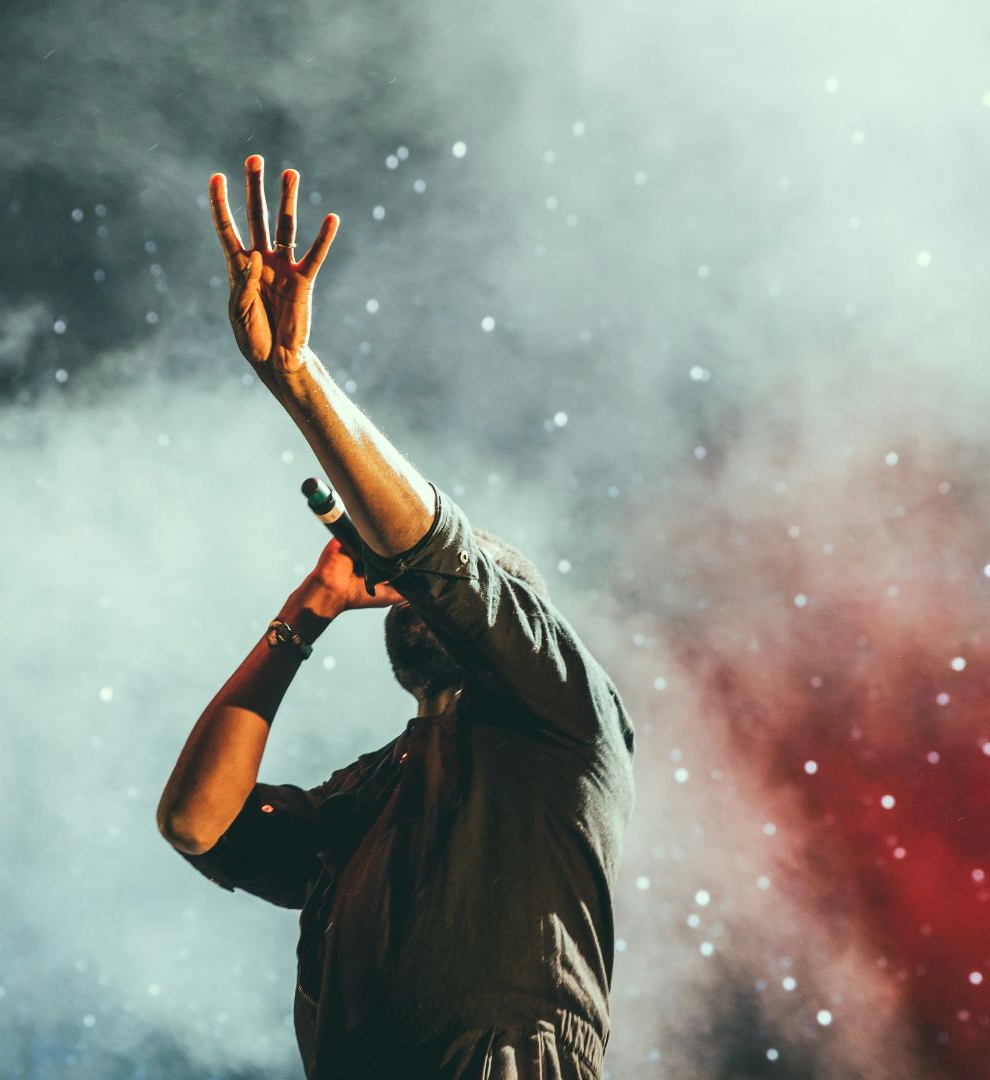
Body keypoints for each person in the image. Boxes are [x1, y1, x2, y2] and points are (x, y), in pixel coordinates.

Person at [157, 154, 635, 1080]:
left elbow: (441, 556)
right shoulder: (370, 792)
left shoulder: (564, 709)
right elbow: (197, 825)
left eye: (451, 587)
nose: (411, 587)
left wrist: (300, 380)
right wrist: (306, 613)